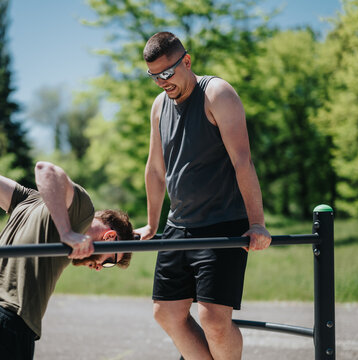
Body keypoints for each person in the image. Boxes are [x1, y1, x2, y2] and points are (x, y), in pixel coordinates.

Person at [135, 32, 272, 360]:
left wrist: (258, 223)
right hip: (178, 226)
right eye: (153, 76)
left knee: (212, 319)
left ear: (187, 61)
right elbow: (155, 169)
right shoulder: (159, 106)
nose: (161, 82)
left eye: (167, 73)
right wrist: (152, 225)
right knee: (165, 313)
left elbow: (242, 160)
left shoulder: (217, 93)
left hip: (222, 223)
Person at [0, 161, 133, 359]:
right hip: (7, 327)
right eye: (109, 262)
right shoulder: (83, 212)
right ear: (109, 237)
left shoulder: (30, 200)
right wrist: (66, 232)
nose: (100, 267)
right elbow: (45, 169)